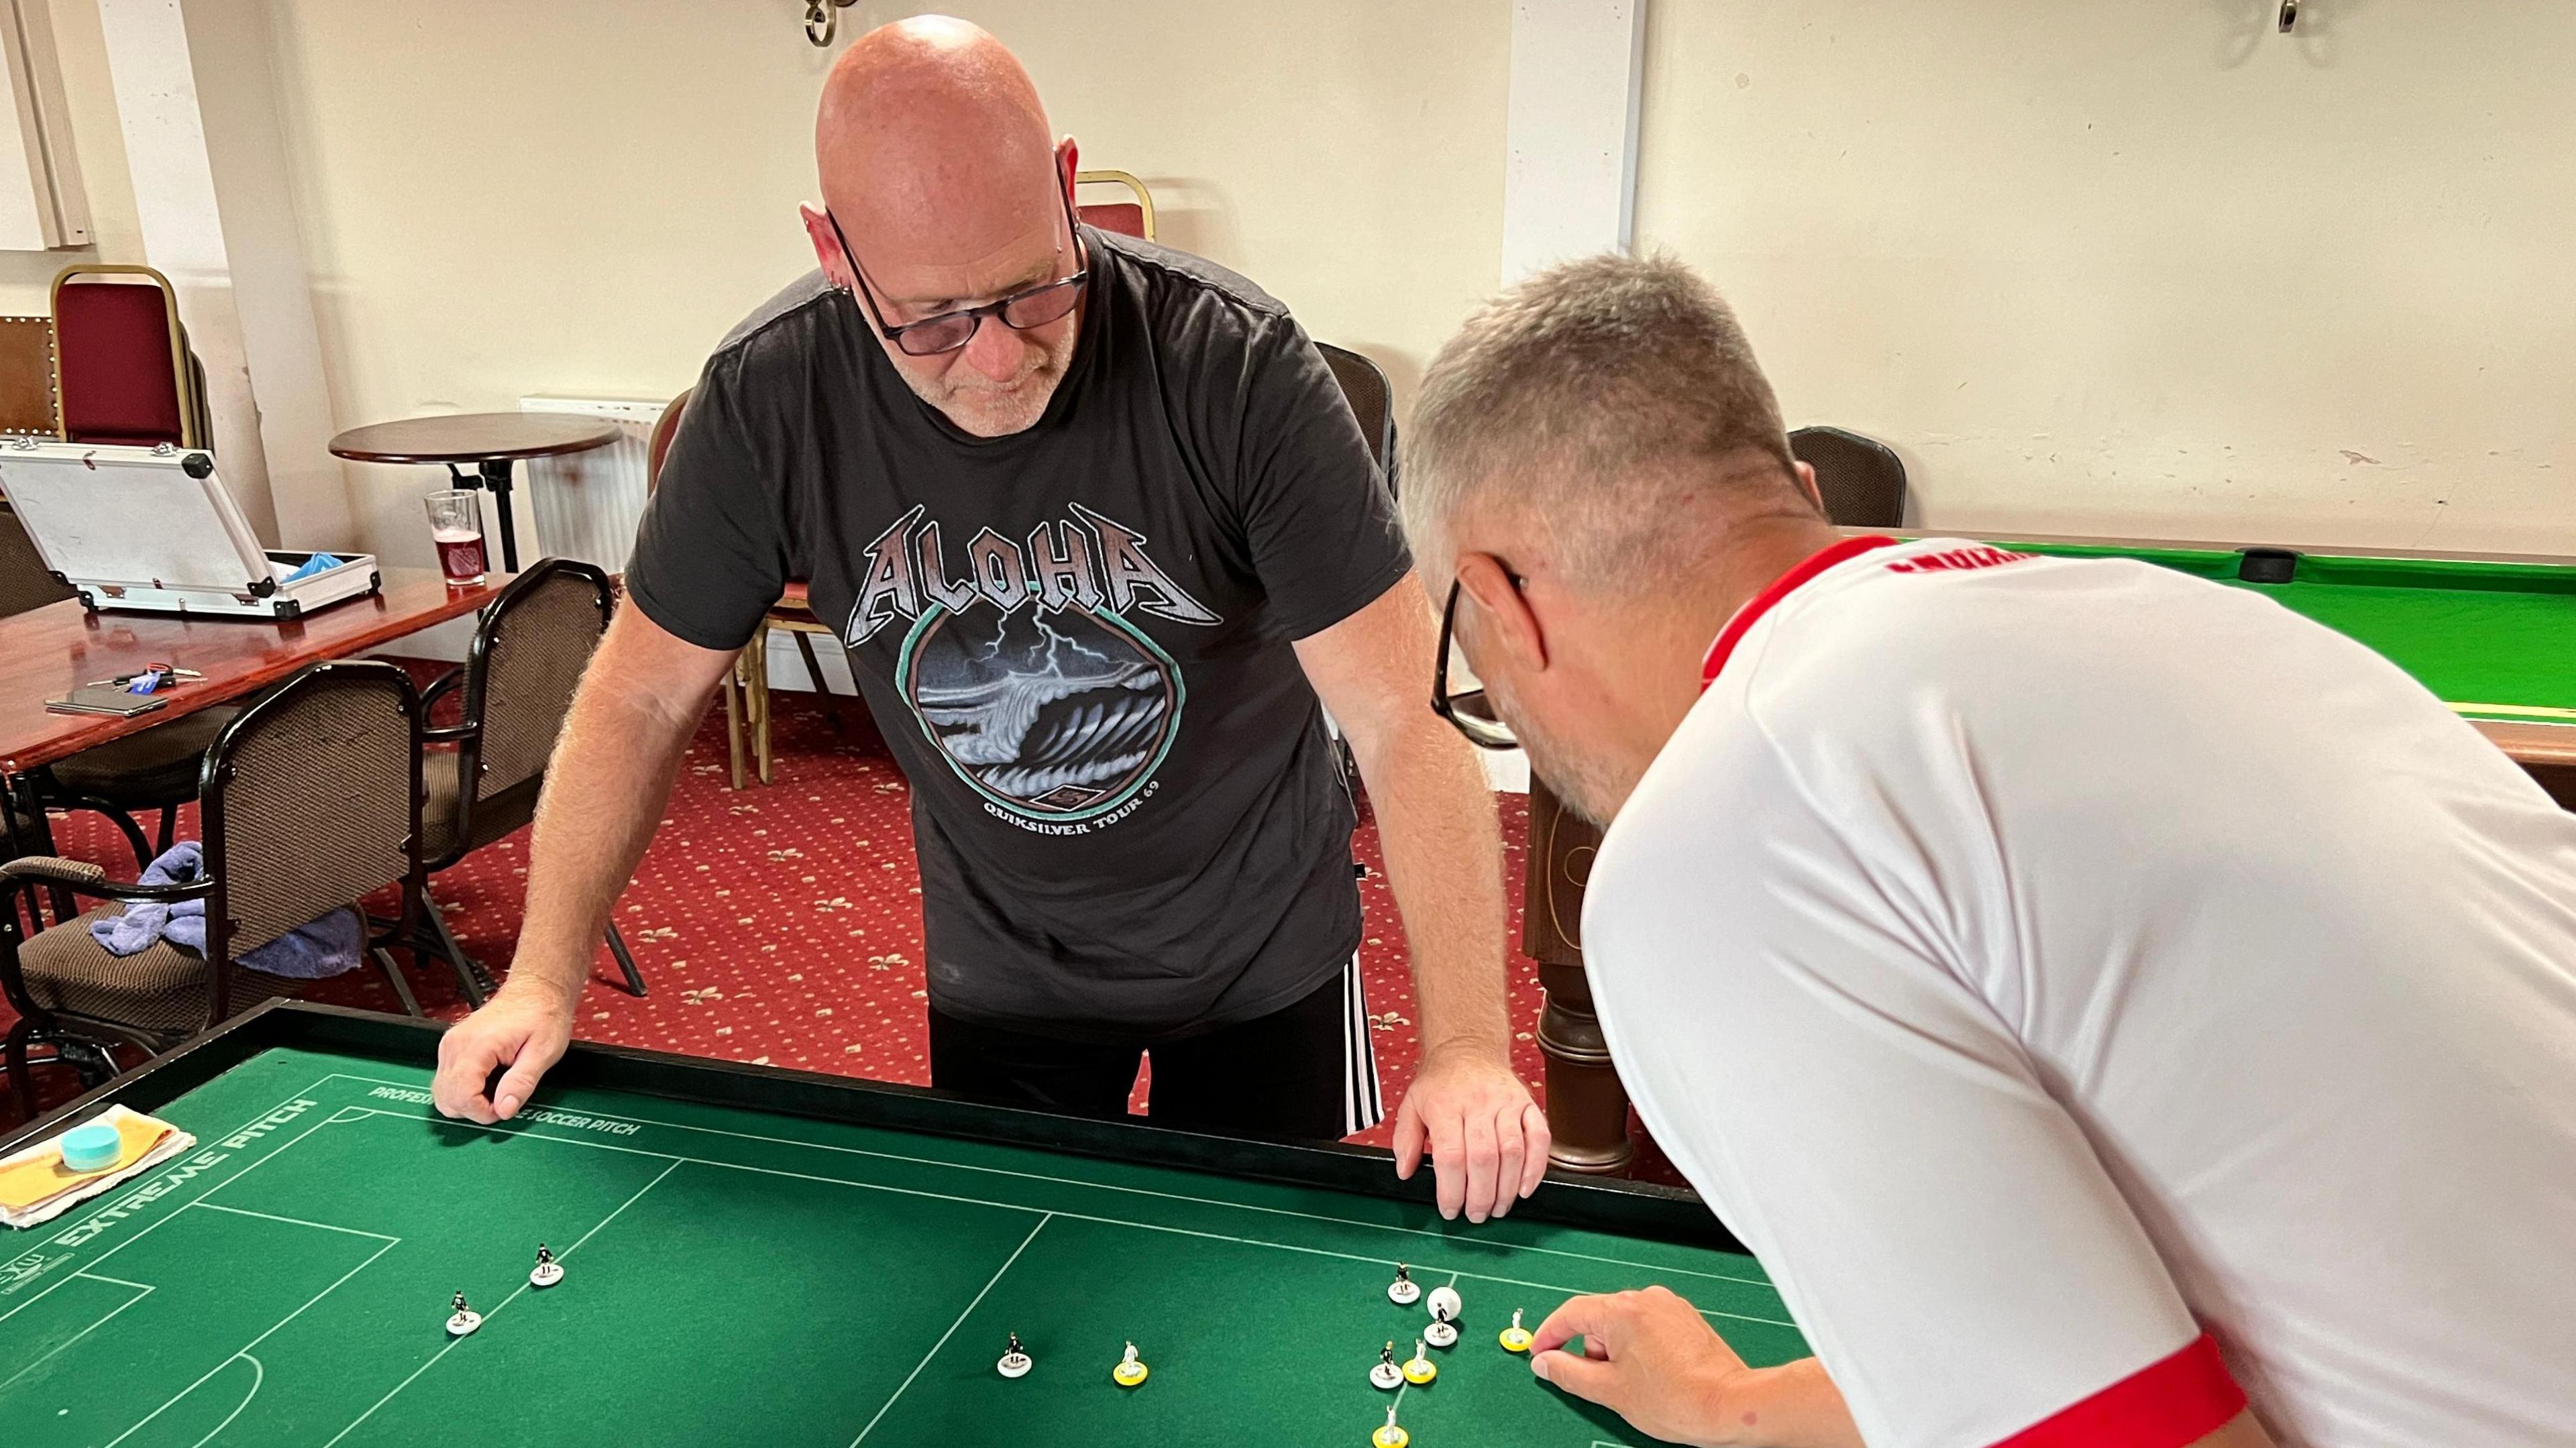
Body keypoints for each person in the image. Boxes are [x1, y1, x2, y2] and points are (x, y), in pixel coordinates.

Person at [1398, 252, 2576, 1447]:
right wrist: (1735, 1408)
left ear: (1499, 599)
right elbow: (2129, 1339)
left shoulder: (1718, 844)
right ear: (1797, 490)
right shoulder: (2197, 621)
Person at [429, 16, 1550, 1224]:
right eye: (932, 318)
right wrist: (540, 978)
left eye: (1033, 288)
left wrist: (1471, 1048)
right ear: (833, 249)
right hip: (1002, 963)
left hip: (1260, 945)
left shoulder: (1238, 367)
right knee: (1016, 1292)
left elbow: (1400, 719)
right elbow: (640, 697)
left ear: (1068, 187)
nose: (999, 356)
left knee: (1245, 1289)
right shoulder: (770, 396)